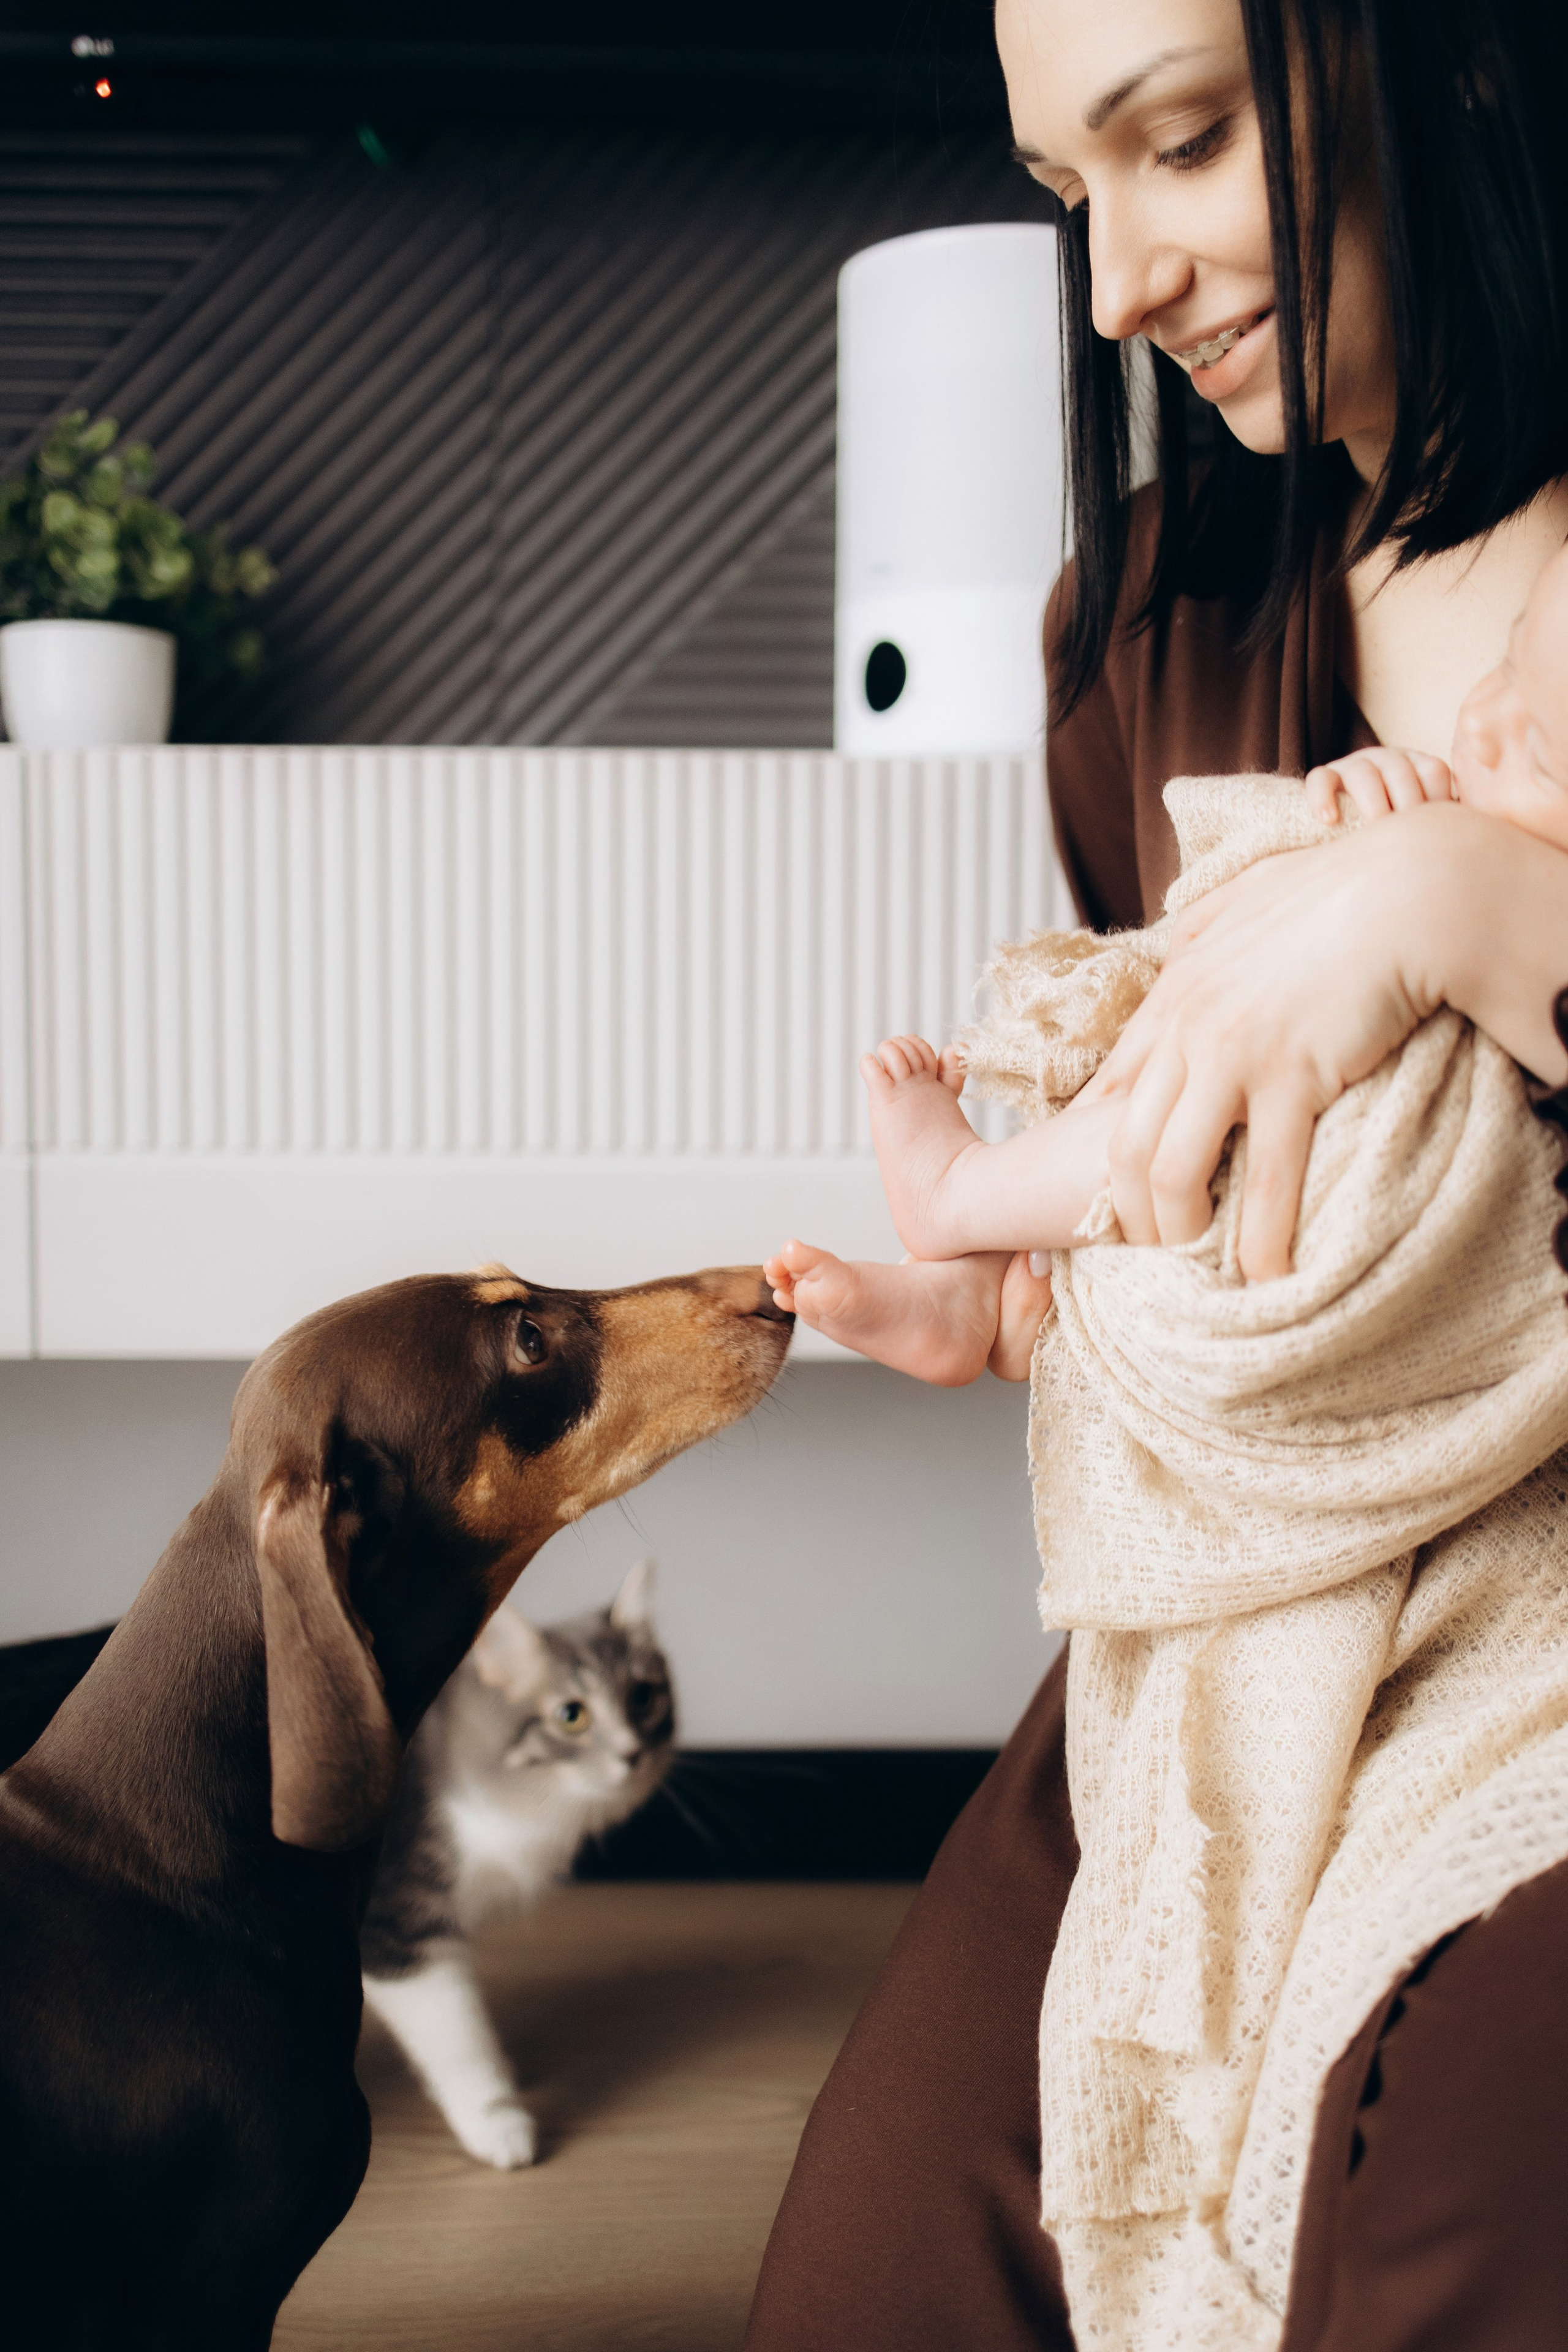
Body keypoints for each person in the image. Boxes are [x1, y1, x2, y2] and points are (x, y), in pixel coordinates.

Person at [743, 0, 1568, 2346]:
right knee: (893, 2279)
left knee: (1428, 2218)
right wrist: (1016, 1304)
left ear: (1466, 58)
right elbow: (1208, 1189)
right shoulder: (1153, 616)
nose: (1109, 287)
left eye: (1182, 142)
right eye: (1062, 187)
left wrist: (1485, 915)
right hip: (1247, 1609)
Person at [764, 534, 1568, 1381]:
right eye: (1507, 662)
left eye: (1545, 755)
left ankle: (963, 1194)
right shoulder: (1146, 594)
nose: (1478, 726)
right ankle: (986, 1280)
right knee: (1184, 1044)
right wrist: (1385, 796)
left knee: (1218, 1121)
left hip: (1366, 1219)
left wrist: (1442, 877)